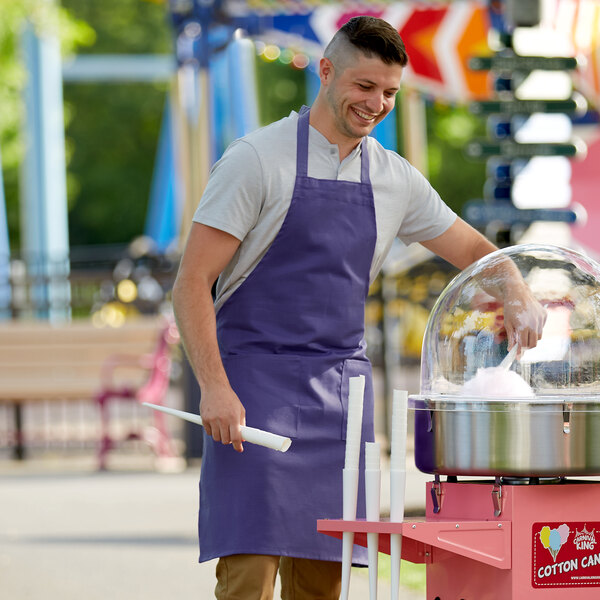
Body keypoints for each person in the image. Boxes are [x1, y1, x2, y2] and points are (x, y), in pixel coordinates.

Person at [172, 15, 545, 600]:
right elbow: (192, 282)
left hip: (341, 400)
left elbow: (473, 250)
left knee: (325, 580)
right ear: (326, 71)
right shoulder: (256, 160)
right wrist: (214, 387)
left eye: (390, 92)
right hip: (253, 388)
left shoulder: (395, 179)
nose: (376, 104)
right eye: (364, 86)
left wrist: (516, 289)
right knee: (248, 573)